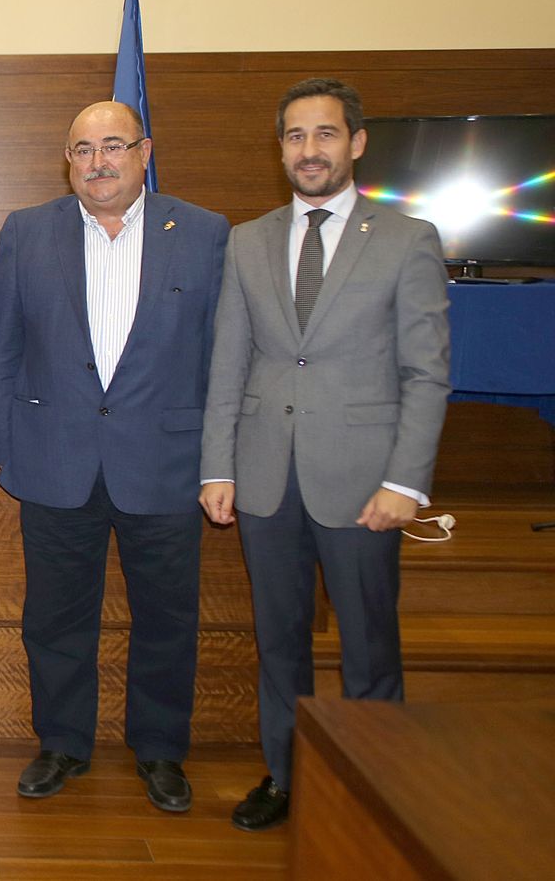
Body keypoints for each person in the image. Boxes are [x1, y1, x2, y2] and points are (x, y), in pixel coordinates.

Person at [200, 78, 450, 832]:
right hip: (265, 479)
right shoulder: (248, 240)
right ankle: (286, 775)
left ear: (357, 143)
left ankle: (373, 789)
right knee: (279, 642)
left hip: (366, 482)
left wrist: (406, 481)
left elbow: (427, 372)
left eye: (325, 134)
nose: (309, 150)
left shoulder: (407, 239)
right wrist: (218, 467)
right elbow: (229, 361)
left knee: (369, 645)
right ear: (280, 148)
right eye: (296, 136)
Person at [0, 101, 229, 813]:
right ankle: (62, 743)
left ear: (144, 152)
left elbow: (222, 357)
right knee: (55, 619)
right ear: (68, 161)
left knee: (167, 620)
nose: (98, 162)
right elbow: (2, 348)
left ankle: (160, 750)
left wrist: (219, 459)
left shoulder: (205, 232)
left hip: (167, 464)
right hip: (55, 460)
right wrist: (7, 448)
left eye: (114, 146)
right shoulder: (29, 231)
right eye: (83, 149)